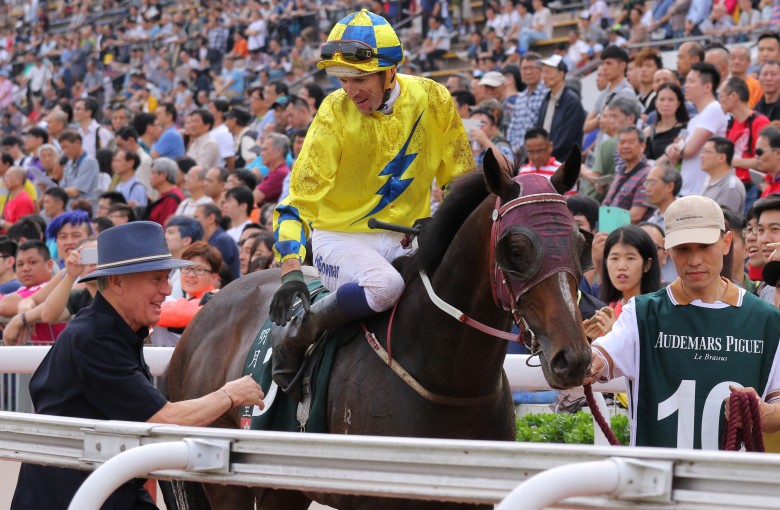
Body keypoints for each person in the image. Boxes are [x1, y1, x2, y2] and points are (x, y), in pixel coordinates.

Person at [270, 9, 473, 400]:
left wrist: (444, 220)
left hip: (405, 239)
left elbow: (459, 178)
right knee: (385, 286)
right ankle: (299, 332)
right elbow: (300, 200)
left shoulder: (433, 98)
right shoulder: (333, 111)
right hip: (340, 240)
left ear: (390, 72)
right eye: (343, 80)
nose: (350, 90)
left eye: (359, 79)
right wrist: (291, 270)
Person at [10, 221, 264, 509]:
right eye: (156, 279)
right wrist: (229, 394)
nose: (168, 289)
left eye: (167, 278)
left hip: (105, 488)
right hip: (74, 497)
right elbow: (164, 419)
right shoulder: (95, 338)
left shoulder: (113, 331)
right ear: (117, 282)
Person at [585, 195, 780, 449]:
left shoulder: (767, 319)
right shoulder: (641, 313)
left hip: (733, 483)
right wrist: (588, 361)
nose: (695, 260)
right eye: (683, 249)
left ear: (726, 243)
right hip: (659, 481)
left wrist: (762, 413)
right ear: (668, 249)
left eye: (704, 246)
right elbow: (601, 355)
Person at [584, 225, 662, 340]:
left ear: (647, 265)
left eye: (630, 258)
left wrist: (615, 336)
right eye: (614, 258)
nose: (621, 267)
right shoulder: (609, 311)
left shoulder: (659, 312)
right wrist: (587, 340)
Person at [664, 63, 730, 197]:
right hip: (687, 190)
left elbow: (688, 150)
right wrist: (675, 149)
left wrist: (678, 149)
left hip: (701, 192)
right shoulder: (695, 119)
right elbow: (678, 153)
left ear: (707, 87)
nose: (685, 86)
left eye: (691, 81)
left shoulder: (714, 109)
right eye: (686, 81)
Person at [153, 241, 222, 346]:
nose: (191, 275)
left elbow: (176, 313)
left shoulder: (215, 300)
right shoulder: (182, 301)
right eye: (186, 268)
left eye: (199, 270)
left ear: (214, 277)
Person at [535, 55, 586, 163]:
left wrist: (543, 156)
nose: (544, 76)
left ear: (561, 74)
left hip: (563, 164)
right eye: (543, 72)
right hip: (545, 160)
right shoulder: (546, 98)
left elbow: (566, 140)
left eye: (548, 72)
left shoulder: (572, 101)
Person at [602, 126, 653, 224]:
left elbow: (636, 215)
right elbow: (606, 204)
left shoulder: (648, 175)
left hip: (630, 235)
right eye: (622, 142)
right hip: (610, 230)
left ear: (643, 146)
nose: (625, 146)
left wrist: (607, 222)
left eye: (631, 142)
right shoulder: (621, 171)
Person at [700, 137, 746, 213]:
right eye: (702, 151)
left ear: (722, 158)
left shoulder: (731, 187)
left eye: (707, 152)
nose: (701, 156)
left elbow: (723, 221)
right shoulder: (708, 179)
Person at [644, 83, 689, 161]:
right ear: (656, 102)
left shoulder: (686, 129)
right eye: (662, 99)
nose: (666, 104)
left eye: (671, 100)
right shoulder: (648, 131)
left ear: (678, 103)